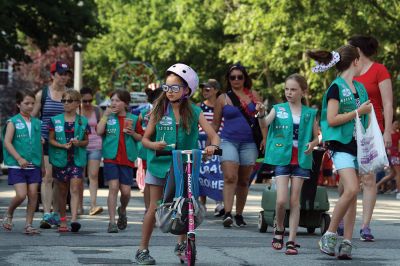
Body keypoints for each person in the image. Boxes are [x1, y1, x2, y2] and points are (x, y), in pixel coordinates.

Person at [135, 63, 220, 265]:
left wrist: (212, 147)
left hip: (184, 166)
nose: (170, 92)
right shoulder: (158, 109)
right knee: (153, 208)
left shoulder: (194, 111)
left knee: (184, 205)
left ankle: (182, 244)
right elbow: (145, 139)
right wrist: (154, 144)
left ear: (187, 90)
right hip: (158, 164)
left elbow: (214, 137)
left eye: (175, 88)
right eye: (167, 87)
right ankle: (142, 249)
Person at [308, 45, 372, 259]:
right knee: (352, 189)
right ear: (355, 61)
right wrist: (358, 111)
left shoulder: (360, 88)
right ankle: (330, 233)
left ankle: (347, 242)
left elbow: (365, 118)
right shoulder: (336, 88)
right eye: (360, 59)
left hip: (358, 146)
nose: (362, 63)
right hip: (340, 145)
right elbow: (332, 120)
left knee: (351, 194)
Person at [260, 74, 318, 255]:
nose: (289, 93)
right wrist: (261, 113)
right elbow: (264, 124)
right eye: (286, 89)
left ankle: (292, 240)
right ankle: (279, 229)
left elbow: (317, 136)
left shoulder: (310, 113)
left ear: (302, 91)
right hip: (281, 158)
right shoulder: (278, 109)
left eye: (293, 89)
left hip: (301, 159)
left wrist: (313, 143)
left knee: (294, 201)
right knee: (281, 201)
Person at [348, 35, 394, 241]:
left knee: (368, 177)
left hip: (372, 129)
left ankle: (365, 226)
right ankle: (342, 219)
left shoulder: (379, 70)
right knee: (348, 177)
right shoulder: (348, 70)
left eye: (349, 47)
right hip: (349, 127)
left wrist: (386, 133)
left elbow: (388, 104)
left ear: (358, 49)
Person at [212, 63, 265, 228]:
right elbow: (215, 125)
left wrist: (265, 138)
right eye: (232, 77)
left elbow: (262, 120)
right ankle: (227, 213)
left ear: (245, 78)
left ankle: (239, 214)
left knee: (243, 181)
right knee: (230, 177)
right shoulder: (222, 98)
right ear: (228, 79)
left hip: (249, 143)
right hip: (228, 141)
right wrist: (210, 145)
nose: (236, 80)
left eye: (239, 77)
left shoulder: (254, 95)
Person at [97, 89, 143, 233]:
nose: (114, 103)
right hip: (111, 157)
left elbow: (141, 137)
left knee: (126, 192)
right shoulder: (109, 117)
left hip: (127, 158)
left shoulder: (134, 118)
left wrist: (133, 133)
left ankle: (122, 210)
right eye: (112, 100)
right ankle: (111, 222)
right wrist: (105, 115)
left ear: (125, 103)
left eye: (117, 100)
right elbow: (98, 131)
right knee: (113, 188)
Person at [32, 61, 70, 228]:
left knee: (59, 179)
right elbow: (33, 117)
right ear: (53, 75)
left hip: (63, 141)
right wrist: (34, 136)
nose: (64, 77)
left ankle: (55, 212)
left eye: (66, 73)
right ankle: (46, 213)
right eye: (61, 73)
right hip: (45, 139)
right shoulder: (43, 94)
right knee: (47, 177)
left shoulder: (70, 94)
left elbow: (75, 117)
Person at [1, 90, 44, 234]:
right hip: (17, 165)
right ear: (18, 104)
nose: (30, 106)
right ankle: (9, 213)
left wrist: (42, 165)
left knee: (33, 194)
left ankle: (28, 225)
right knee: (21, 195)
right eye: (26, 103)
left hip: (34, 165)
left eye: (33, 103)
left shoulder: (37, 123)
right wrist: (19, 158)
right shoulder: (13, 122)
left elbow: (39, 144)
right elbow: (7, 142)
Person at [48, 90, 89, 232]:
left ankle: (74, 219)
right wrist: (61, 145)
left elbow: (86, 141)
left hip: (76, 159)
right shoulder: (55, 120)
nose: (66, 103)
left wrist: (79, 143)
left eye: (69, 101)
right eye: (64, 100)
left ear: (77, 103)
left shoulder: (83, 121)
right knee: (62, 190)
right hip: (60, 159)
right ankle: (63, 219)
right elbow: (51, 139)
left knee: (75, 188)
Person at [197, 79, 225, 217]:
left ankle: (219, 202)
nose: (204, 92)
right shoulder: (199, 107)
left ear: (215, 90)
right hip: (200, 143)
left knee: (217, 172)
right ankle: (202, 204)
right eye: (203, 89)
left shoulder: (222, 106)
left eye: (207, 89)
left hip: (217, 143)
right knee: (202, 172)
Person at [136, 87, 163, 213]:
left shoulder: (143, 113)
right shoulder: (152, 113)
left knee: (150, 181)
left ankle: (149, 209)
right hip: (151, 149)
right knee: (152, 181)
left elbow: (138, 131)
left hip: (153, 148)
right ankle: (151, 209)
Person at [80, 87, 103, 216]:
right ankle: (79, 205)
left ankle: (93, 205)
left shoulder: (97, 110)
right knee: (79, 178)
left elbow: (101, 128)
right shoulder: (77, 110)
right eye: (85, 101)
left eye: (90, 100)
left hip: (95, 145)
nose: (88, 104)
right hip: (80, 146)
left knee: (93, 176)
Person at [376, 119, 400, 198]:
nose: (396, 125)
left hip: (397, 154)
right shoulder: (388, 133)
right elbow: (383, 143)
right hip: (392, 155)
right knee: (398, 173)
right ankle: (399, 192)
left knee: (392, 174)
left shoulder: (398, 133)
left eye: (398, 124)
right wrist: (387, 150)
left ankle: (377, 185)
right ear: (392, 124)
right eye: (395, 124)